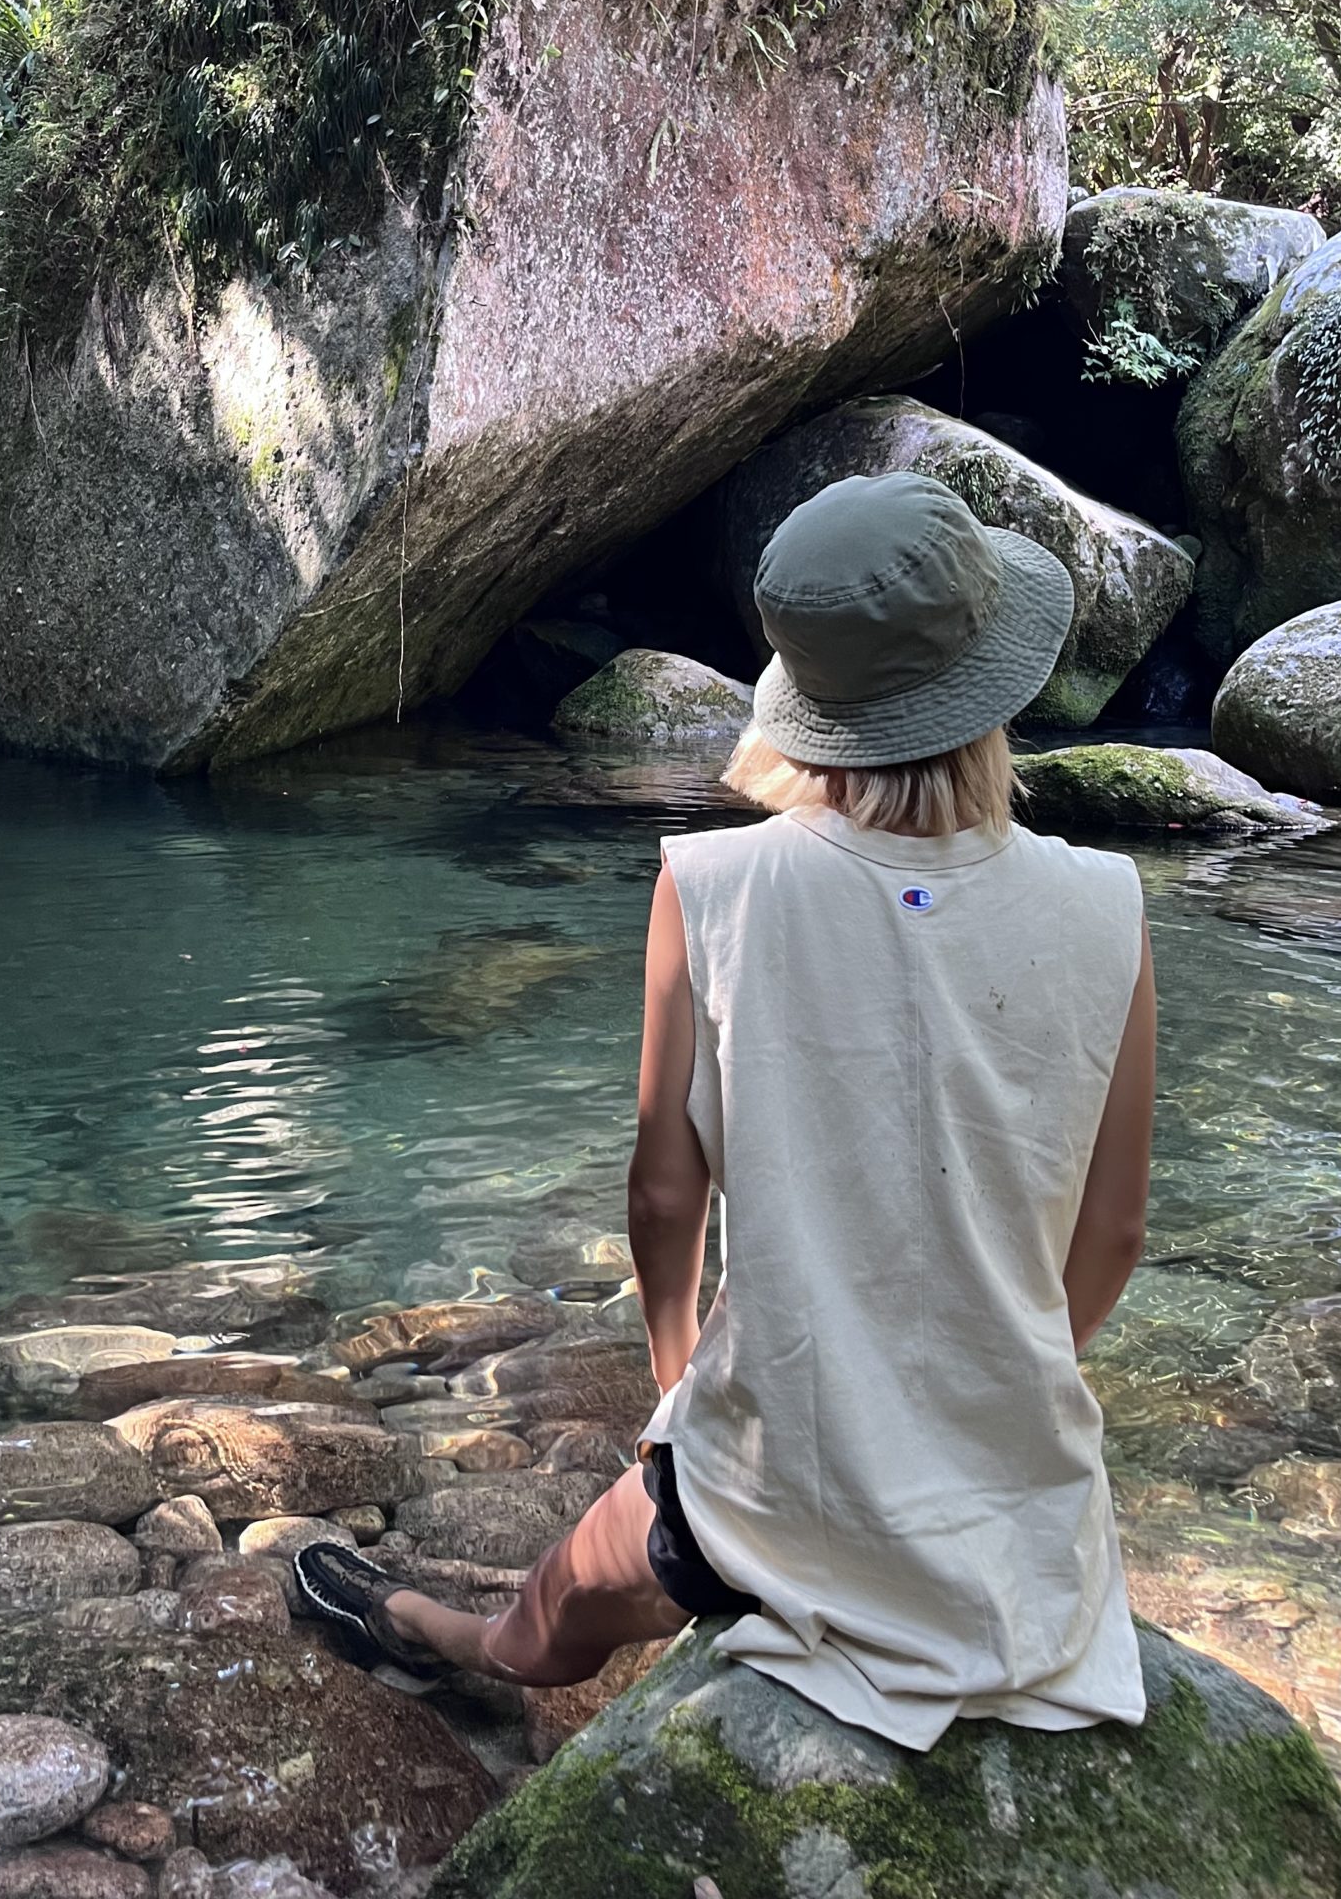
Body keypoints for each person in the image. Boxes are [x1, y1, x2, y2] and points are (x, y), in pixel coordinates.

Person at [297, 469, 1157, 1750]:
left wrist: (679, 1389)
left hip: (770, 1500)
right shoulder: (1108, 902)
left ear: (808, 698)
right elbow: (1114, 1232)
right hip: (1018, 1516)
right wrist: (991, 1389)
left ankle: (429, 1631)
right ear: (992, 687)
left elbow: (664, 1195)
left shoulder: (715, 884)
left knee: (552, 1614)